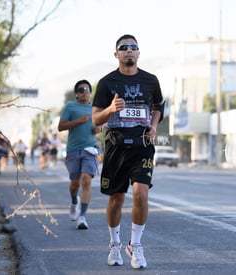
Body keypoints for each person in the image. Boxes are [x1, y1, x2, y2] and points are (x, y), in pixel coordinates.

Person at [92, 34, 164, 269]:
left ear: (139, 53)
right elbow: (95, 118)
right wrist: (111, 109)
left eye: (133, 47)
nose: (129, 51)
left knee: (141, 194)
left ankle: (137, 245)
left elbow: (157, 106)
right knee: (117, 199)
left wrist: (153, 125)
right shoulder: (106, 82)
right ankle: (115, 244)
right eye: (124, 48)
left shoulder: (151, 80)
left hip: (142, 146)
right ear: (117, 54)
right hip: (116, 146)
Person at [58, 79, 102, 230]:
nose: (85, 92)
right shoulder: (70, 106)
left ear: (90, 93)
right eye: (81, 90)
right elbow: (60, 126)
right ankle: (73, 201)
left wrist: (98, 129)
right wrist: (78, 121)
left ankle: (82, 217)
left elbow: (99, 126)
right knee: (75, 183)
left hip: (90, 149)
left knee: (86, 180)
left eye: (87, 90)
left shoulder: (95, 109)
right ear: (77, 94)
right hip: (73, 150)